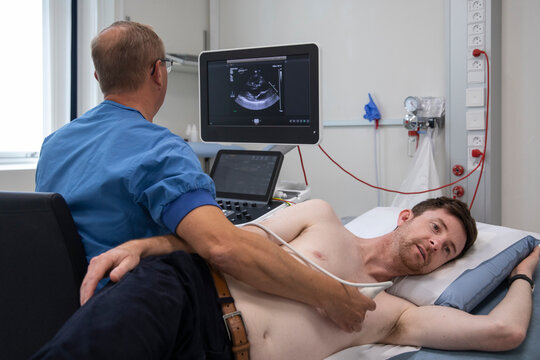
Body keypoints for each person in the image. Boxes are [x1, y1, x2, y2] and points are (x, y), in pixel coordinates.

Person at [34, 20, 374, 333]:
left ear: (98, 77)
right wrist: (332, 295)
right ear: (158, 72)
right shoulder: (161, 150)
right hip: (139, 317)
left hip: (70, 311)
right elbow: (223, 247)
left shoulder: (54, 145)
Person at [32, 197, 539, 359]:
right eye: (435, 228)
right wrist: (149, 246)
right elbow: (226, 242)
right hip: (185, 294)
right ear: (405, 217)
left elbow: (506, 333)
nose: (435, 244)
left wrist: (524, 270)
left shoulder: (393, 316)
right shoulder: (319, 216)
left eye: (447, 249)